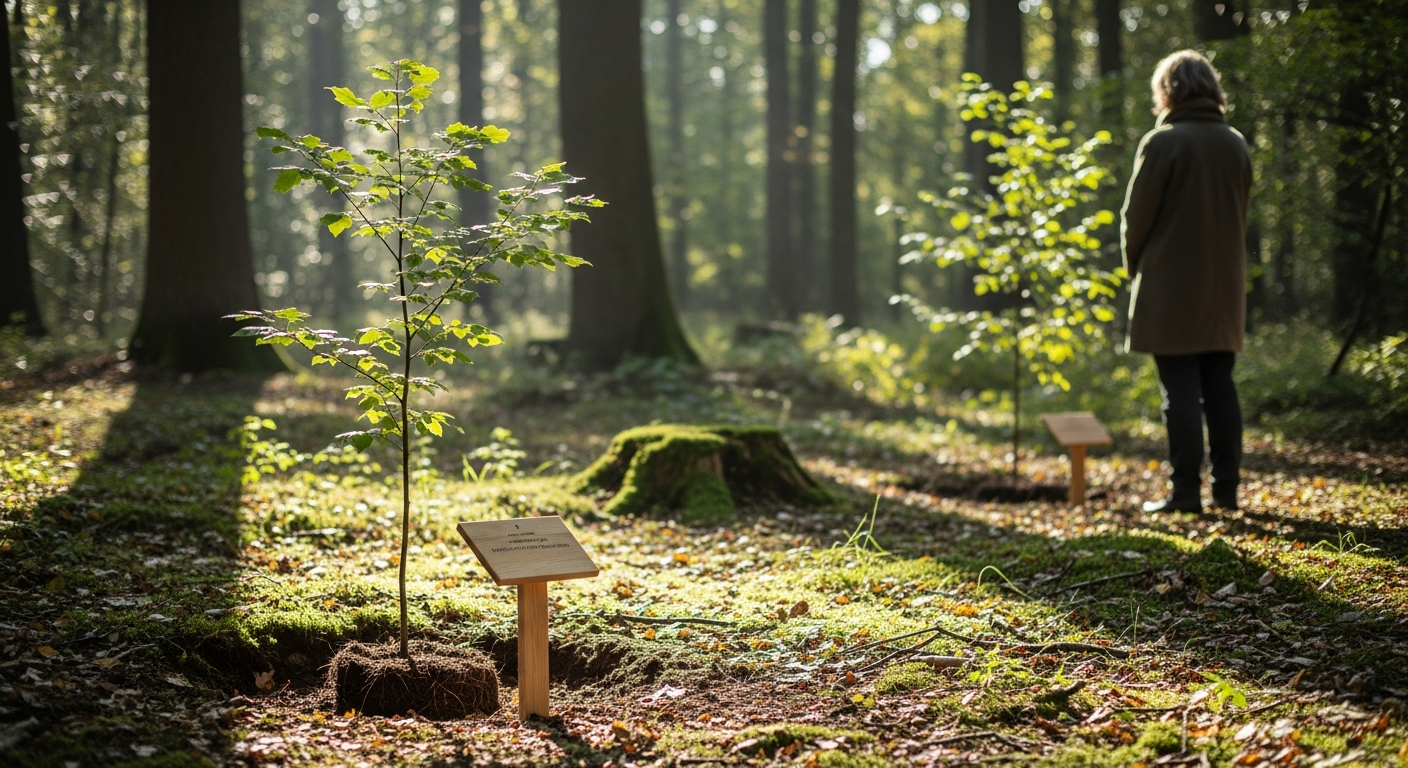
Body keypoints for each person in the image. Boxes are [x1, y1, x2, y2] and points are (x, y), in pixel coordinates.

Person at [1120, 50, 1252, 514]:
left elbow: (1135, 219)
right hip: (1223, 288)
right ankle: (1227, 491)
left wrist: (1133, 266)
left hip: (1170, 287)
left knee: (1178, 390)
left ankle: (1185, 493)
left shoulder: (1163, 143)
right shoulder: (1236, 143)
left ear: (1168, 90)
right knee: (1220, 386)